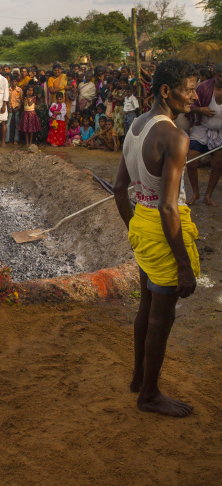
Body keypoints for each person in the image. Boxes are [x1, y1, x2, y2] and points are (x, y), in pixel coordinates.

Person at [113, 59, 199, 417]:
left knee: (146, 308)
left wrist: (136, 227)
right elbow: (168, 208)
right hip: (164, 232)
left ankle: (138, 378)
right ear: (167, 90)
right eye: (188, 89)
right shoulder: (175, 137)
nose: (194, 96)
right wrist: (184, 265)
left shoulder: (135, 126)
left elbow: (120, 188)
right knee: (161, 319)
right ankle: (148, 395)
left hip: (142, 227)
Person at [187, 64, 222, 206]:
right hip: (201, 128)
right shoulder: (203, 87)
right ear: (215, 74)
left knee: (217, 166)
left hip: (220, 132)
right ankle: (196, 192)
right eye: (220, 75)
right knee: (191, 162)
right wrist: (200, 110)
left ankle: (208, 195)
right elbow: (189, 104)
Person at [6, 75, 23, 145]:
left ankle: (16, 139)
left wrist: (19, 107)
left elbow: (22, 100)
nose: (13, 82)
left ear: (17, 82)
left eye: (15, 81)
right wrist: (7, 107)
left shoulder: (19, 90)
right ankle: (7, 139)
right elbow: (6, 99)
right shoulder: (8, 89)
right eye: (12, 81)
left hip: (17, 108)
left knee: (17, 124)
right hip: (9, 107)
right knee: (8, 124)